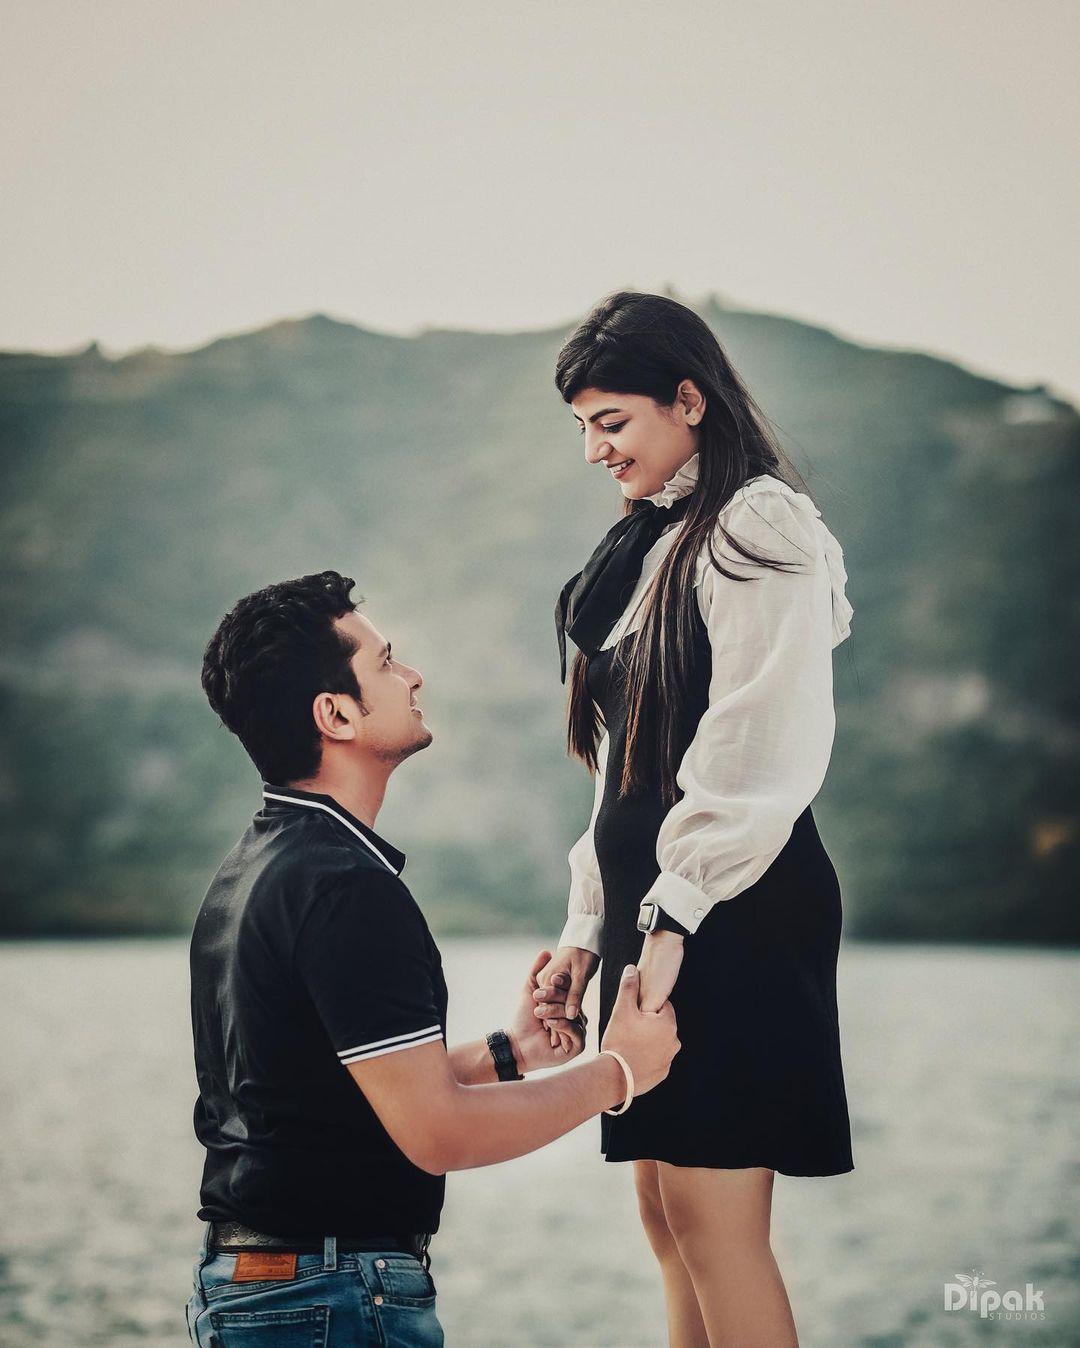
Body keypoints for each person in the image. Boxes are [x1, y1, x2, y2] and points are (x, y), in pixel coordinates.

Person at [185, 570, 680, 1347]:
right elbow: (437, 1133)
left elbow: (325, 1093)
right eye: (386, 663)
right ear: (335, 714)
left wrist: (509, 1053)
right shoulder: (345, 888)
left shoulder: (261, 866)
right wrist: (621, 1071)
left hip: (272, 1290)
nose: (412, 676)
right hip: (332, 1296)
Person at [535, 291, 856, 1348]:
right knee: (666, 1216)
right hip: (657, 908)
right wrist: (589, 928)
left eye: (611, 421)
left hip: (733, 904)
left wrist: (672, 918)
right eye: (581, 426)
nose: (593, 450)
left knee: (719, 1222)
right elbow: (622, 773)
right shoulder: (643, 547)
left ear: (689, 399)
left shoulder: (759, 523)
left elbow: (762, 744)